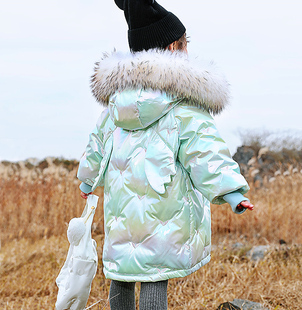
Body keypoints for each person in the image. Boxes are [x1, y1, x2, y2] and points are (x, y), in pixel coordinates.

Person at [77, 0, 254, 309]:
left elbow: (97, 145)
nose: (188, 53)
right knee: (154, 275)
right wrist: (232, 192)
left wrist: (87, 181)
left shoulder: (116, 104)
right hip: (165, 209)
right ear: (173, 48)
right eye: (184, 45)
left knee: (121, 272)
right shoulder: (183, 104)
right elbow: (206, 150)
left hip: (122, 212)